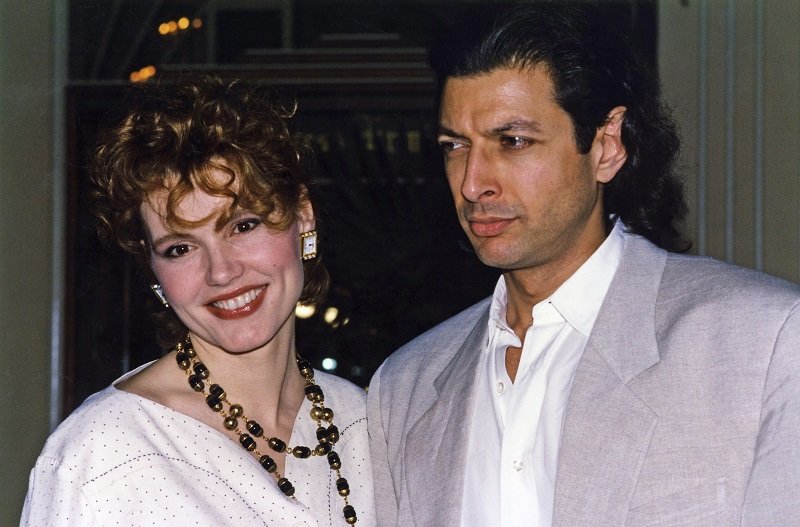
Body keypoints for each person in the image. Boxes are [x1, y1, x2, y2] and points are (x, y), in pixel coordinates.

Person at [367, 3, 800, 526]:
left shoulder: (761, 342)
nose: (471, 182)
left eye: (513, 142)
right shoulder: (406, 387)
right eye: (455, 146)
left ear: (606, 145)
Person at [22, 76, 375, 526]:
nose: (222, 272)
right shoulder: (103, 453)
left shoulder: (367, 425)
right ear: (154, 269)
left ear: (301, 216)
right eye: (180, 248)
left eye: (243, 226)